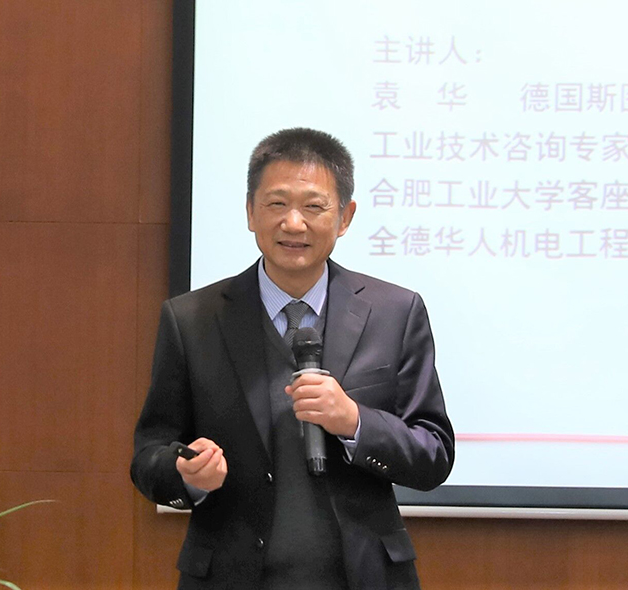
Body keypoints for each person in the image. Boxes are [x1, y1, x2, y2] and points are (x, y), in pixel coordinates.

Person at [131, 128, 454, 590]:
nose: (294, 223)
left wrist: (355, 422)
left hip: (364, 577)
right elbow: (149, 454)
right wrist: (186, 474)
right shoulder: (192, 319)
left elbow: (433, 455)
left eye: (314, 206)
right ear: (250, 212)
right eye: (277, 204)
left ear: (345, 217)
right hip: (230, 577)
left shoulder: (395, 313)